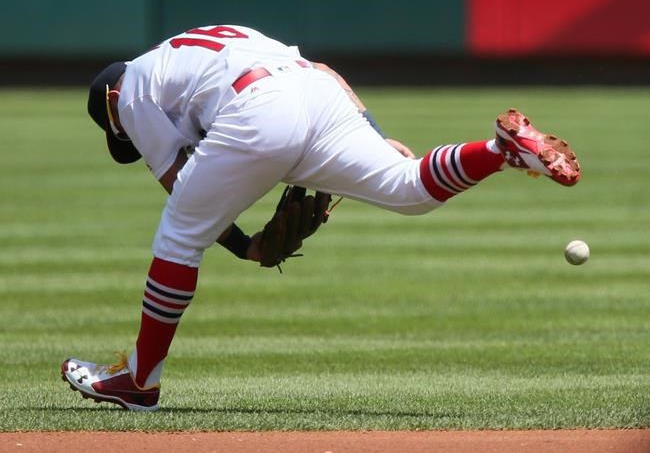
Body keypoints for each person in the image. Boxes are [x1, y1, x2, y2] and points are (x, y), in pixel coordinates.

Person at [61, 24, 580, 411]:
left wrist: (246, 247)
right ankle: (499, 150)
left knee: (177, 238)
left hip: (257, 107)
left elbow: (178, 181)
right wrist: (372, 133)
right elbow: (324, 71)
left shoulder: (128, 93)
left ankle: (139, 381)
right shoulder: (211, 40)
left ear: (111, 109)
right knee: (409, 188)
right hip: (316, 93)